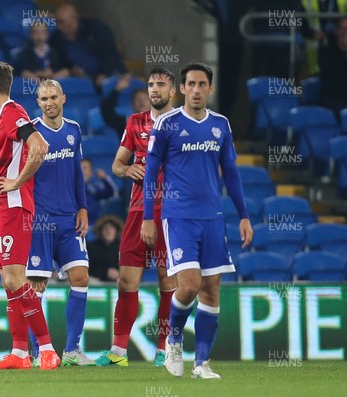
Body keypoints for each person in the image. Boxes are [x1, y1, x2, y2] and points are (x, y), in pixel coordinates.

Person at [141, 62, 253, 379]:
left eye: (202, 84)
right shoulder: (167, 125)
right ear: (183, 89)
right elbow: (150, 172)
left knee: (211, 290)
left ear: (209, 89)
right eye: (190, 84)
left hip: (213, 218)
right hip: (177, 216)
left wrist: (243, 215)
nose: (196, 90)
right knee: (188, 286)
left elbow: (230, 172)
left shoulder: (221, 125)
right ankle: (174, 340)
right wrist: (148, 217)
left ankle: (201, 363)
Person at [0, 61, 60, 370]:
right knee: (7, 281)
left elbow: (40, 146)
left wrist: (18, 181)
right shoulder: (1, 118)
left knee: (15, 278)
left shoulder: (13, 112)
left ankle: (47, 348)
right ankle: (20, 352)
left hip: (12, 205)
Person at [96, 67, 177, 368]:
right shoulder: (135, 122)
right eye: (151, 84)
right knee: (127, 282)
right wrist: (127, 170)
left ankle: (163, 349)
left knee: (167, 281)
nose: (155, 90)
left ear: (173, 91)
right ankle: (118, 352)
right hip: (136, 212)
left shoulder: (182, 124)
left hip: (170, 212)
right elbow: (117, 164)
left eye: (161, 85)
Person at [24, 79, 93, 367]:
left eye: (53, 96)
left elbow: (77, 173)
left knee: (81, 278)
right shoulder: (29, 132)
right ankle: (39, 352)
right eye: (43, 98)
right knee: (38, 286)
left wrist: (83, 208)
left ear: (63, 97)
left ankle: (72, 349)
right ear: (38, 102)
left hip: (69, 219)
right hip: (40, 220)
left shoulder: (74, 130)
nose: (49, 102)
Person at [49, 3, 126, 87]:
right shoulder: (56, 39)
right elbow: (57, 62)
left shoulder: (96, 28)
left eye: (61, 22)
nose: (58, 26)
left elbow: (111, 54)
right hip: (82, 77)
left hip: (108, 72)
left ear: (73, 19)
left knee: (116, 80)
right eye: (56, 22)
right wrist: (71, 71)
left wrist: (103, 73)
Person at [100, 73, 150, 139]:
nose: (141, 101)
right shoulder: (128, 122)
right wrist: (117, 90)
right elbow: (107, 111)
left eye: (144, 98)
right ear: (133, 105)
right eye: (137, 99)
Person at [319, 18, 347, 118]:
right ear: (337, 31)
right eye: (343, 29)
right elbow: (331, 72)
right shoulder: (327, 51)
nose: (345, 33)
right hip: (332, 101)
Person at [87, 215, 124, 282]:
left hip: (119, 281)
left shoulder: (123, 248)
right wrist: (105, 273)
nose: (108, 231)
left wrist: (120, 274)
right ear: (100, 231)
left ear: (116, 231)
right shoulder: (91, 247)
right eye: (105, 228)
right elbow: (88, 269)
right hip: (96, 282)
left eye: (111, 228)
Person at [81, 158, 118, 224]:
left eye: (85, 168)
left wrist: (105, 178)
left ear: (91, 173)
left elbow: (111, 193)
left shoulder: (93, 188)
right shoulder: (70, 189)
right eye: (80, 168)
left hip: (94, 225)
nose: (82, 171)